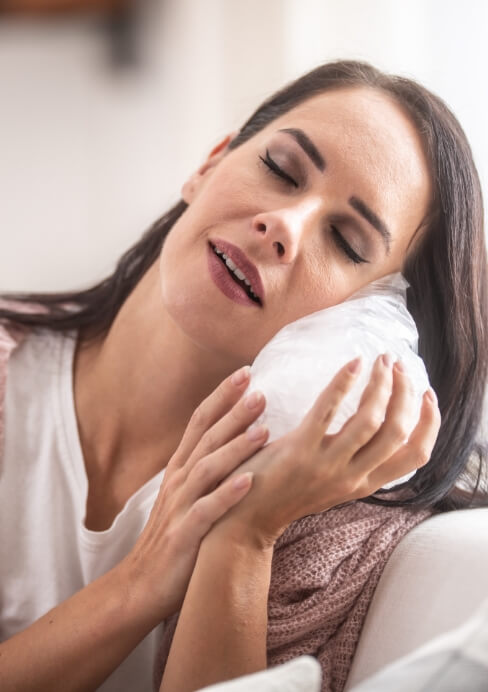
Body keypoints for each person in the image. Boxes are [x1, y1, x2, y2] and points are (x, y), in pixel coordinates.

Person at [0, 59, 486, 692]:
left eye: (345, 240)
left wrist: (245, 535)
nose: (283, 226)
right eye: (280, 170)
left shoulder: (324, 538)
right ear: (209, 163)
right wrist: (140, 585)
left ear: (378, 316)